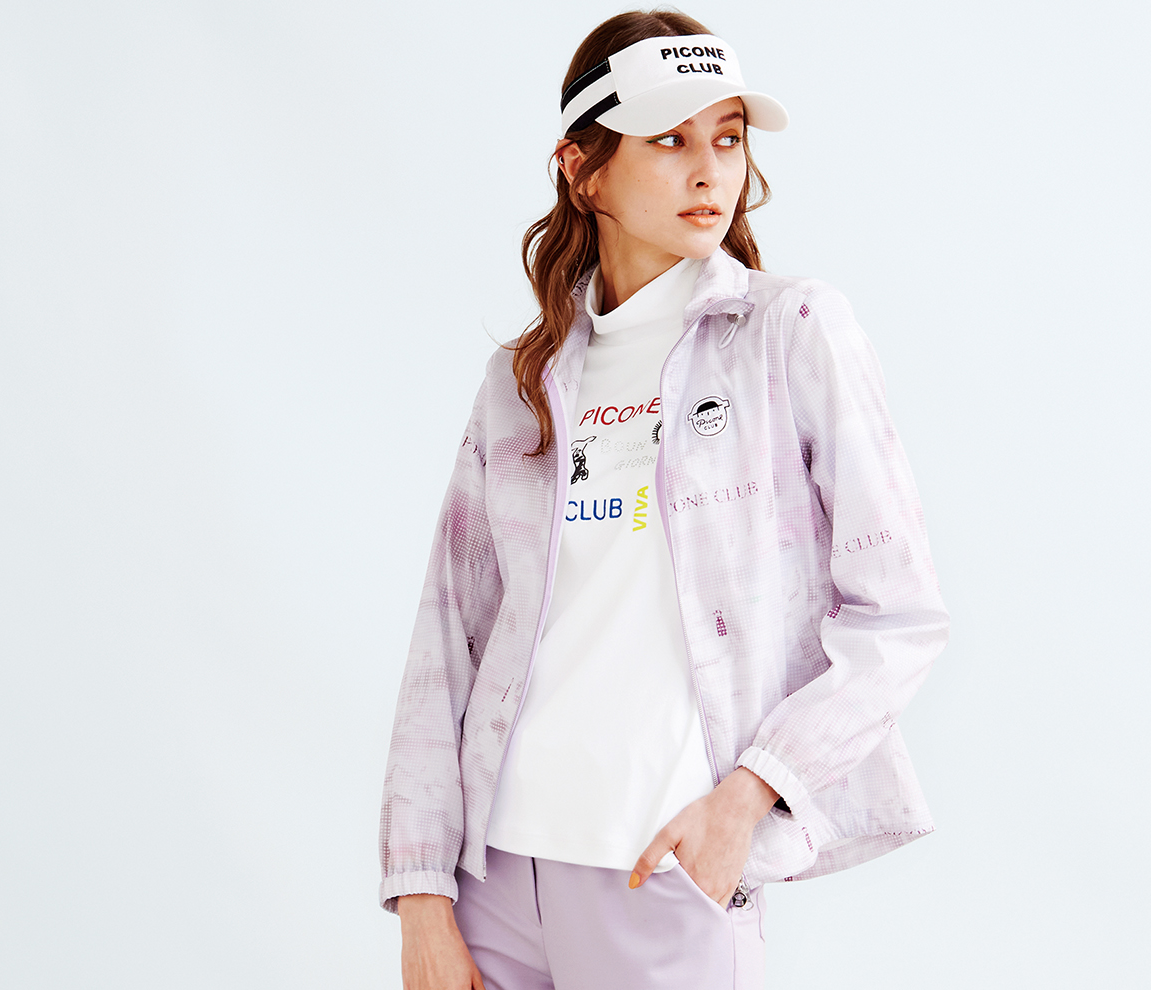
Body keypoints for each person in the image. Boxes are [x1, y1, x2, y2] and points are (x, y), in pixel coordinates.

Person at [379, 10, 948, 990]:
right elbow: (447, 640)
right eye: (670, 140)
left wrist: (750, 797)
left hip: (663, 865)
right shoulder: (519, 383)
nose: (709, 172)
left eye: (726, 138)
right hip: (495, 881)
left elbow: (899, 614)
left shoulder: (790, 334)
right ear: (583, 170)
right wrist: (423, 891)